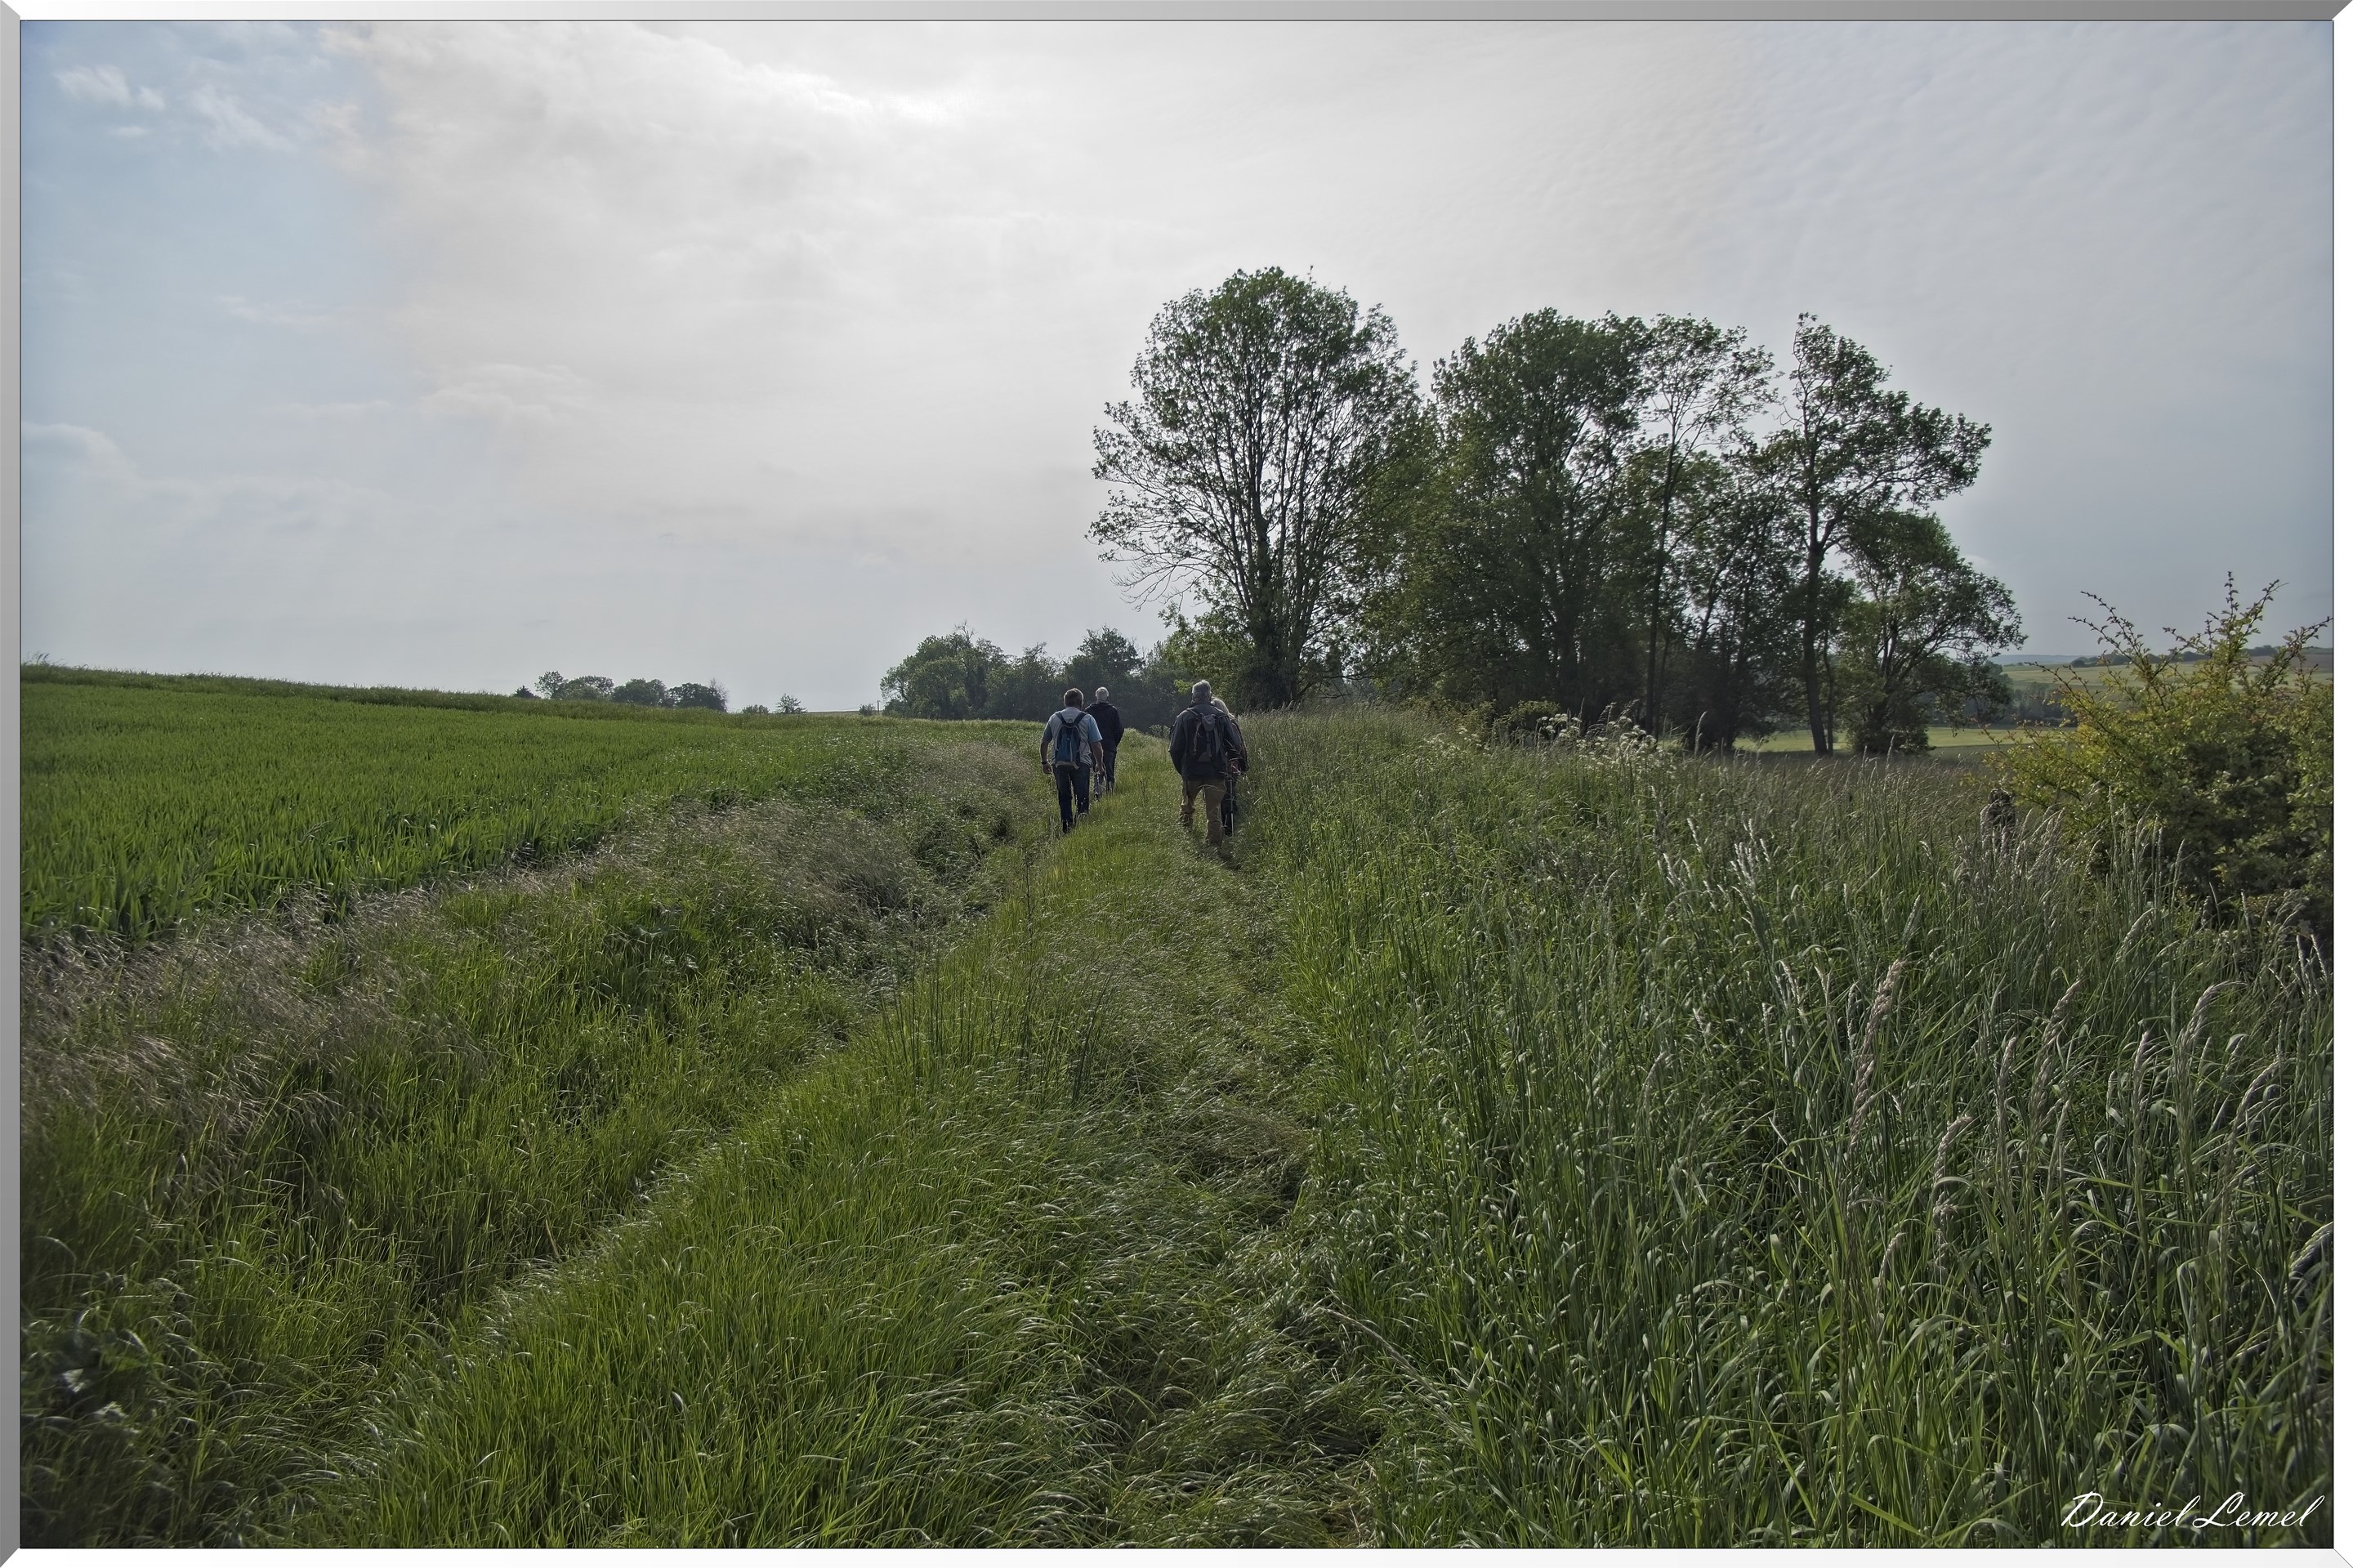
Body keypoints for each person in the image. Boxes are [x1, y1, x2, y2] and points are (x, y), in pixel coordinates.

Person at [1168, 681, 1246, 851]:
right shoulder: (1222, 716)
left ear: (1193, 697)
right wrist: (1227, 764)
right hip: (1217, 771)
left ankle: (1186, 842)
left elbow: (1174, 748)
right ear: (1209, 696)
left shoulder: (1184, 716)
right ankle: (1214, 846)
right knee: (1214, 811)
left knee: (1187, 807)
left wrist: (1182, 770)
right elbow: (1235, 745)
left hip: (1191, 770)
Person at [1039, 687, 1106, 833]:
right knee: (1081, 796)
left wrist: (1044, 762)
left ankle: (1067, 826)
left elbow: (1044, 742)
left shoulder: (1054, 718)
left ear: (1065, 702)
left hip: (1059, 763)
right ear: (1081, 703)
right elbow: (1096, 745)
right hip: (1081, 763)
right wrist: (1100, 766)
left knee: (1064, 796)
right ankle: (1081, 827)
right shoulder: (1088, 719)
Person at [1211, 696, 1245, 838]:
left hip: (1227, 764)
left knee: (1225, 798)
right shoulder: (1232, 722)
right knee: (1230, 795)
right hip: (1233, 764)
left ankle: (1228, 830)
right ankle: (1229, 828)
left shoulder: (1225, 723)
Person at [1085, 686, 1125, 793]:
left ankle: (1097, 791)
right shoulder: (1113, 711)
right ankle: (1110, 793)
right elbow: (1120, 730)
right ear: (1107, 696)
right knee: (1109, 772)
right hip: (1109, 746)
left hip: (1093, 746)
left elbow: (1084, 730)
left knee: (1096, 770)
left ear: (1096, 697)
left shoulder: (1089, 711)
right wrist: (1114, 743)